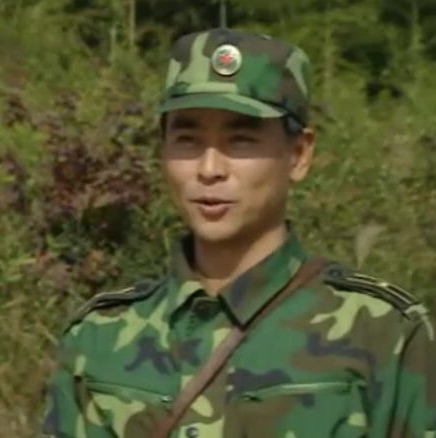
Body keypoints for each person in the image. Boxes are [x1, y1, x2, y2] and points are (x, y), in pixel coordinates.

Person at [42, 28, 436, 438]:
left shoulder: (383, 332)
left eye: (241, 140)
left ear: (298, 155)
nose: (209, 169)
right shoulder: (99, 337)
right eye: (187, 140)